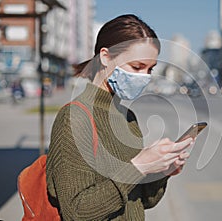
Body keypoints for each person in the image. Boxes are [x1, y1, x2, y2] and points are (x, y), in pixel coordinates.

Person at [46, 14, 193, 221]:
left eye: (150, 69)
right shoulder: (74, 118)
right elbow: (76, 212)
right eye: (137, 67)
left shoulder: (128, 117)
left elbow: (143, 200)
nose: (144, 77)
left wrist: (161, 172)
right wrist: (138, 166)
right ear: (105, 57)